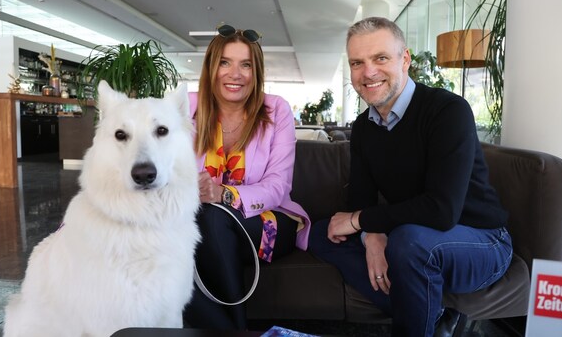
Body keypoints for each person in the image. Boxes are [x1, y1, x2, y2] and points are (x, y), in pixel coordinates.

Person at [309, 17, 513, 337]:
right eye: (357, 63)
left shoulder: (448, 111)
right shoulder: (364, 127)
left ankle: (419, 315)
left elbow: (441, 211)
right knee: (322, 232)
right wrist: (371, 237)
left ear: (405, 60)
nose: (368, 72)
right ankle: (433, 311)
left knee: (407, 241)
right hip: (415, 238)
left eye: (380, 58)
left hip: (481, 240)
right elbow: (360, 200)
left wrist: (362, 221)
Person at [182, 24, 310, 330]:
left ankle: (235, 329)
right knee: (185, 239)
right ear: (211, 67)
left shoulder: (276, 110)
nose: (234, 74)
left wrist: (223, 195)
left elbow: (278, 185)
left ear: (257, 71)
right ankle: (232, 331)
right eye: (225, 62)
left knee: (211, 219)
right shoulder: (186, 107)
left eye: (246, 65)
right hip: (198, 220)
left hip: (268, 220)